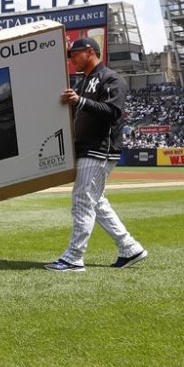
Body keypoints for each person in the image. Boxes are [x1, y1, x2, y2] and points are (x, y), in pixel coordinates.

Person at [45, 38, 148, 272]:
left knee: (82, 201)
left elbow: (113, 112)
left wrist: (80, 101)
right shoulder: (84, 82)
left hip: (99, 149)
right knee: (97, 202)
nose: (71, 58)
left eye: (74, 53)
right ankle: (130, 248)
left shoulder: (112, 79)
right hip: (86, 148)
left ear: (90, 51)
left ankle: (74, 257)